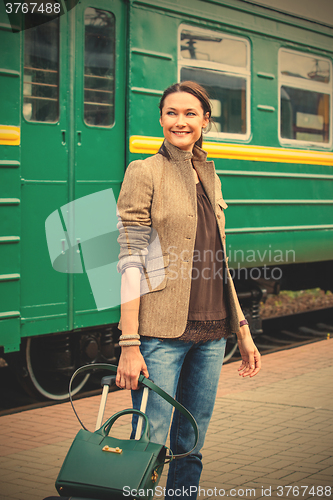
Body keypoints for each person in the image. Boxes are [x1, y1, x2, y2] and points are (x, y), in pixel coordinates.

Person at [116, 81, 261, 499]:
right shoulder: (144, 172)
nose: (180, 121)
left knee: (191, 447)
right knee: (148, 446)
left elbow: (219, 260)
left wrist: (242, 329)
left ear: (205, 121)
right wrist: (129, 342)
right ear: (161, 119)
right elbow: (130, 261)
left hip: (212, 334)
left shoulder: (209, 177)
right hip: (162, 336)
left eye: (190, 113)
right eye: (172, 113)